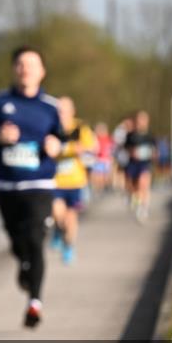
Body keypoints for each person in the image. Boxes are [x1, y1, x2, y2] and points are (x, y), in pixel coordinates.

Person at [0, 46, 63, 328]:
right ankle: (24, 264)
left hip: (39, 182)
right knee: (16, 241)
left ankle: (35, 302)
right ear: (14, 69)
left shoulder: (51, 106)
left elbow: (62, 139)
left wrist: (56, 145)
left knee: (35, 239)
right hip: (7, 184)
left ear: (42, 71)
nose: (26, 70)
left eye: (32, 65)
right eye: (21, 65)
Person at [50, 97, 96, 266]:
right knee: (57, 213)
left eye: (65, 110)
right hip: (55, 181)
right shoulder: (51, 127)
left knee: (71, 218)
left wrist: (80, 149)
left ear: (72, 111)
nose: (62, 114)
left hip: (75, 181)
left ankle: (68, 246)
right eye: (59, 110)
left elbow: (91, 147)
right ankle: (57, 229)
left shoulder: (80, 127)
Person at [124, 110, 157, 221]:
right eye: (139, 120)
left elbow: (155, 151)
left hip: (145, 164)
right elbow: (125, 148)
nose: (141, 122)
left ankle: (143, 208)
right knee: (133, 187)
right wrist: (132, 152)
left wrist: (152, 154)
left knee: (144, 183)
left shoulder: (150, 136)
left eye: (144, 120)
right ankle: (134, 198)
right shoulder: (130, 135)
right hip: (133, 164)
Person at [91, 122, 114, 194]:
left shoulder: (109, 139)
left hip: (106, 160)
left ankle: (104, 188)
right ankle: (98, 190)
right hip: (98, 160)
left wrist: (111, 157)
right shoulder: (95, 139)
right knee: (97, 176)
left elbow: (112, 149)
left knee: (105, 176)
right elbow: (93, 149)